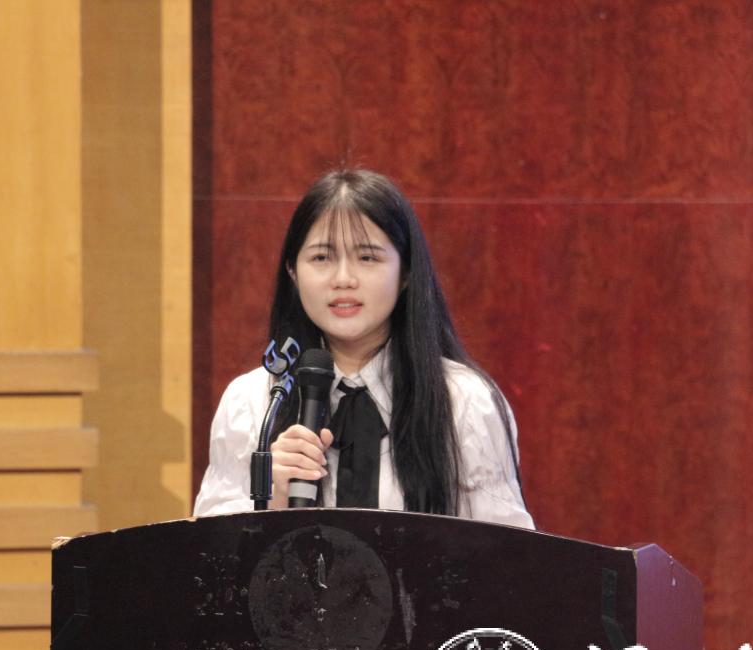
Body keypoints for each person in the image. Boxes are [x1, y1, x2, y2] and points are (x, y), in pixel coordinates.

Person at [193, 169, 532, 529]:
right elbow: (207, 554)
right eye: (322, 258)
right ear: (292, 271)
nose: (343, 279)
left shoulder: (463, 401)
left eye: (367, 258)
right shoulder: (253, 402)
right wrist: (267, 498)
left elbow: (507, 554)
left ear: (406, 272)